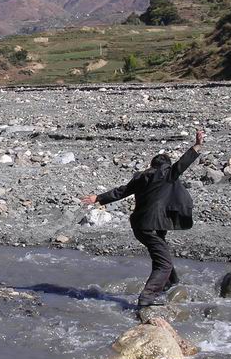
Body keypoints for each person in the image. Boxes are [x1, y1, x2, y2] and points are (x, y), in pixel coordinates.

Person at [81, 130, 205, 307]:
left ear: (151, 165)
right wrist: (197, 145)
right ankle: (147, 298)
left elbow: (121, 191)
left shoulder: (141, 177)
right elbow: (182, 163)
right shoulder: (167, 174)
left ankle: (171, 284)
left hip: (140, 226)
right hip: (152, 226)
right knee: (164, 264)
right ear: (166, 166)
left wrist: (98, 197)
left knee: (161, 256)